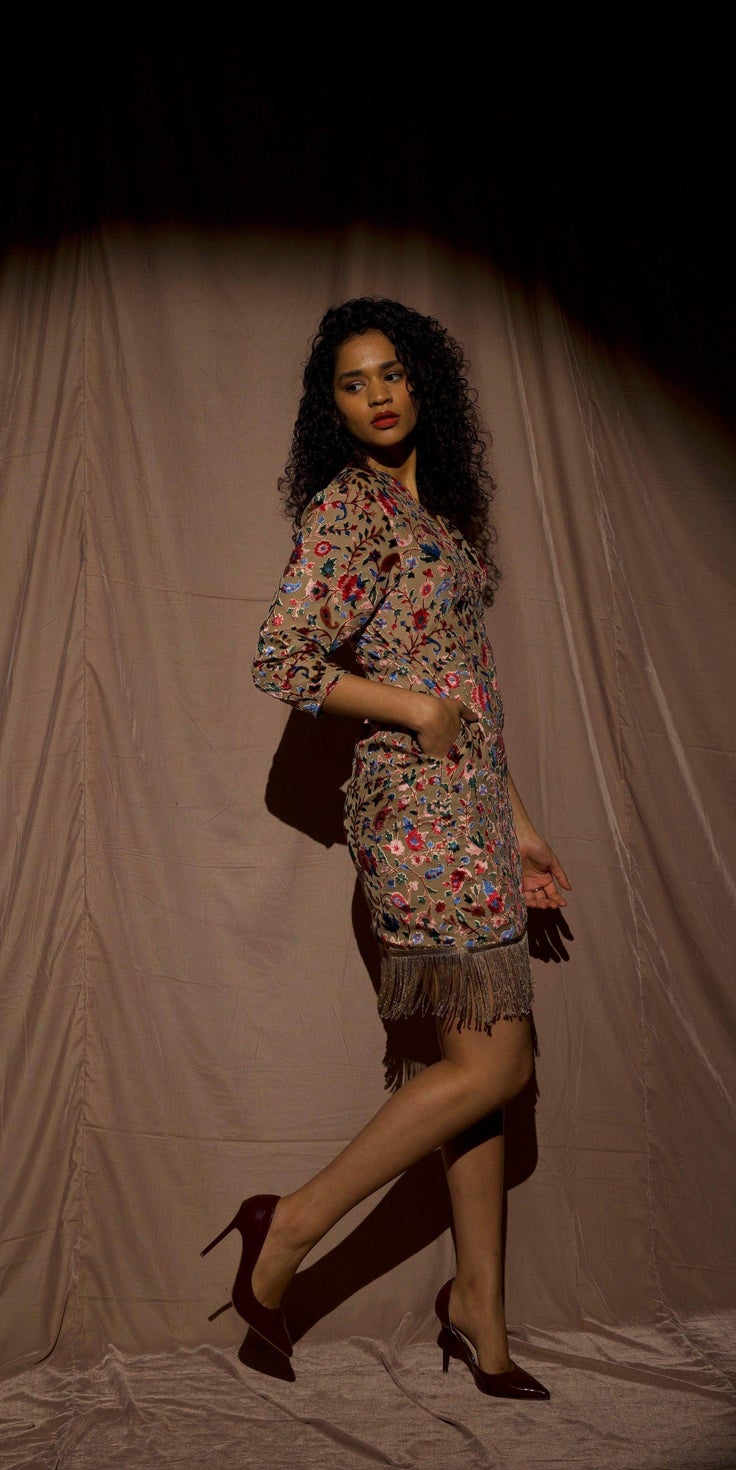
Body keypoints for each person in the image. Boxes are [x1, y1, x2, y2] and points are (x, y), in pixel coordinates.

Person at [202, 297, 571, 1399]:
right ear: (333, 407)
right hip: (413, 813)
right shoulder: (349, 509)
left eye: (393, 373)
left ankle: (479, 1312)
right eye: (354, 381)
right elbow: (283, 659)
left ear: (423, 385)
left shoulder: (436, 517)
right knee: (496, 1064)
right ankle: (288, 1226)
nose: (378, 394)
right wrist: (410, 711)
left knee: (475, 1076)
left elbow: (471, 689)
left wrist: (522, 825)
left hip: (473, 810)